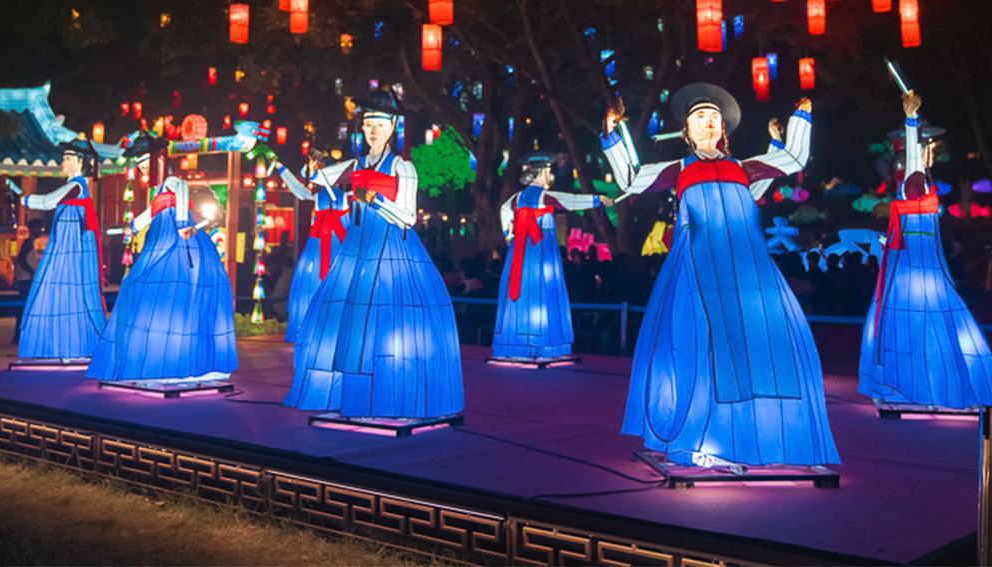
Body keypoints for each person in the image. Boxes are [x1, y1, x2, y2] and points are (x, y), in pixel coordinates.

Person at [602, 85, 838, 472]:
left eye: (714, 117)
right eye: (699, 117)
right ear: (686, 131)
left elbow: (795, 158)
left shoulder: (744, 168)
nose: (708, 121)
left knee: (758, 346)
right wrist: (612, 134)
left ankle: (753, 437)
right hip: (699, 269)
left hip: (747, 272)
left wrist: (802, 117)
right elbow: (629, 177)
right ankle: (703, 439)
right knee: (704, 349)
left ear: (723, 128)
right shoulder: (679, 169)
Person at [285, 89, 463, 420]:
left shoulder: (402, 166)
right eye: (367, 124)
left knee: (387, 317)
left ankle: (389, 394)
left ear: (392, 126)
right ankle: (351, 391)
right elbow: (314, 181)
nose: (372, 131)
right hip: (356, 246)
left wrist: (377, 202)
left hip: (390, 247)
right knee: (345, 312)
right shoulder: (355, 164)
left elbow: (408, 217)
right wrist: (316, 165)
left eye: (379, 124)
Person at [858, 92, 992, 409]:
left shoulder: (923, 182)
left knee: (934, 326)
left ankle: (931, 388)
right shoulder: (914, 180)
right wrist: (911, 123)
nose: (930, 152)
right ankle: (917, 389)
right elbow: (913, 163)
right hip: (914, 264)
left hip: (925, 262)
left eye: (929, 147)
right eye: (926, 148)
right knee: (920, 324)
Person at [87, 132, 237, 385]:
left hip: (176, 236)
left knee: (169, 288)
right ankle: (155, 355)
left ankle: (179, 358)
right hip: (159, 235)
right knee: (140, 284)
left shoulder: (171, 179)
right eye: (139, 163)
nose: (142, 166)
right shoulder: (158, 189)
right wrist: (132, 227)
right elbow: (152, 211)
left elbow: (182, 190)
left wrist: (181, 224)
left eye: (145, 161)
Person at [492, 153, 611, 361]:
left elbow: (503, 210)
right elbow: (570, 201)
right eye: (548, 170)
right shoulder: (542, 196)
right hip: (540, 249)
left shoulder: (516, 199)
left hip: (519, 249)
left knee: (520, 289)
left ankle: (516, 343)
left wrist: (508, 235)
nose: (551, 174)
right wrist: (597, 199)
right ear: (541, 173)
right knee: (543, 290)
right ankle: (542, 344)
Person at [10, 141, 107, 361]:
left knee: (75, 294)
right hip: (63, 247)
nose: (64, 162)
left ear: (80, 163)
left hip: (71, 250)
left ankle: (80, 345)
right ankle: (58, 345)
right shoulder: (72, 187)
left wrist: (24, 198)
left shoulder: (76, 186)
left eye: (69, 159)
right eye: (64, 158)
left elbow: (47, 201)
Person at [274, 152, 350, 344]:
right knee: (312, 281)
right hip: (320, 247)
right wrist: (282, 170)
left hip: (337, 245)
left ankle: (339, 325)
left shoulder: (345, 197)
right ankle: (310, 325)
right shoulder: (318, 196)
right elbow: (299, 190)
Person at [11, 219, 44, 343]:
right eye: (40, 229)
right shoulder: (28, 244)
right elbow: (22, 260)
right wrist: (31, 272)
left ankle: (20, 334)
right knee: (25, 307)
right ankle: (19, 334)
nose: (41, 232)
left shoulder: (29, 243)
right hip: (26, 279)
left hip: (25, 279)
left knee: (24, 306)